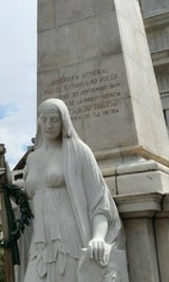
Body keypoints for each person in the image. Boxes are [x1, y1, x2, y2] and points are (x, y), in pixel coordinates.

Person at [20, 98, 124, 281]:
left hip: (69, 239)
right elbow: (27, 202)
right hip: (40, 243)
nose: (48, 125)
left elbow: (100, 201)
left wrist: (98, 237)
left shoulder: (78, 151)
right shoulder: (32, 159)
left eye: (54, 119)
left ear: (64, 121)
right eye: (43, 119)